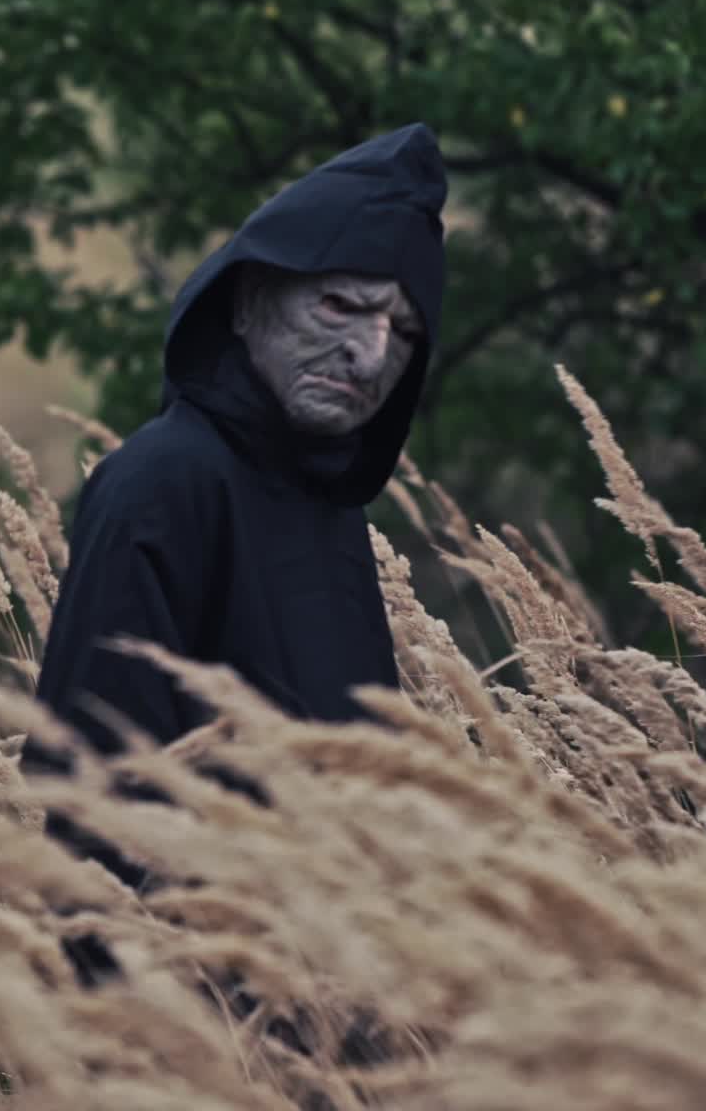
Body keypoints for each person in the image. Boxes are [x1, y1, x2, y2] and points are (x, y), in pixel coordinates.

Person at [29, 123, 448, 903]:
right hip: (188, 996)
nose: (369, 355)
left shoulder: (331, 507)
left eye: (404, 333)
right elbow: (93, 798)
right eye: (339, 306)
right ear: (249, 301)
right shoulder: (164, 482)